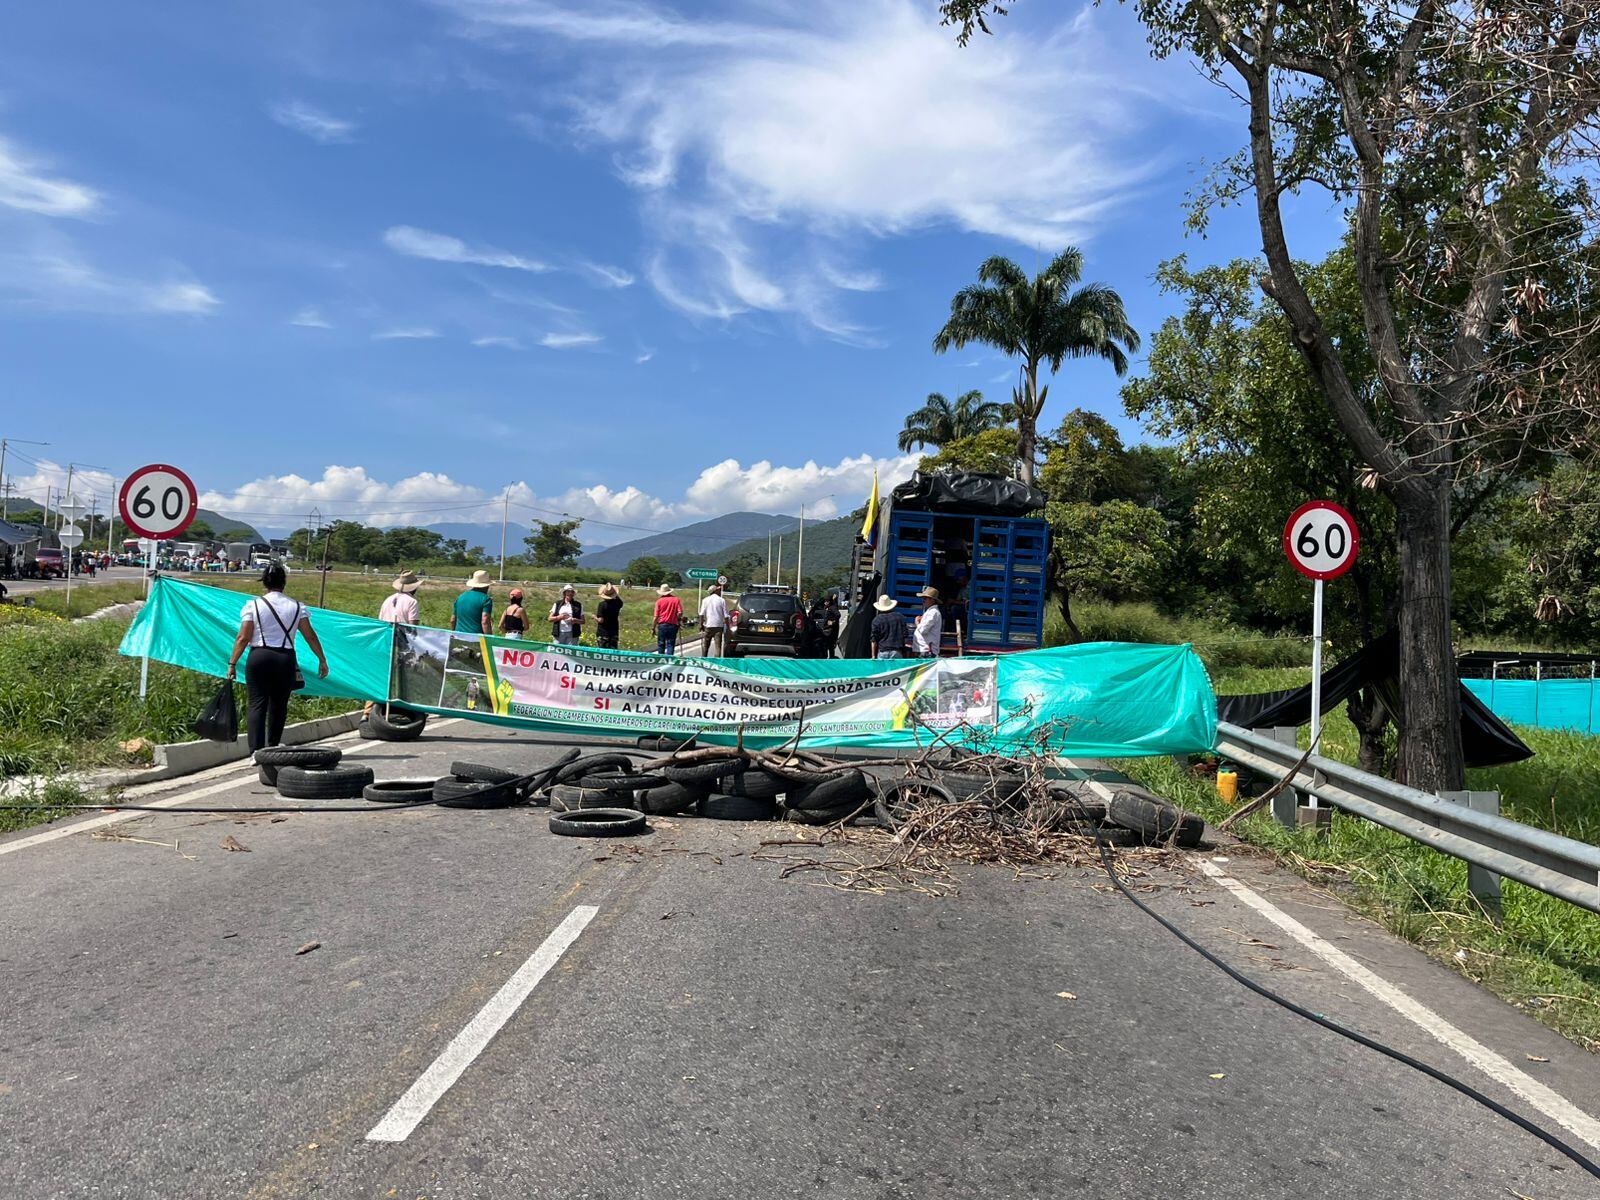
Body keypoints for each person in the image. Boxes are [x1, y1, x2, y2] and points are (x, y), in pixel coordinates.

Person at [226, 563, 328, 752]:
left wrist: (232, 663)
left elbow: (243, 637)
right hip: (285, 658)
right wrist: (322, 660)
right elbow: (310, 636)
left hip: (259, 657)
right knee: (279, 705)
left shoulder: (253, 605)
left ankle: (256, 752)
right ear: (284, 582)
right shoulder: (298, 607)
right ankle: (273, 746)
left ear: (264, 582)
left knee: (257, 704)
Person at [364, 569, 422, 722]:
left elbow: (381, 622)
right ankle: (404, 709)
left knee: (381, 676)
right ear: (414, 587)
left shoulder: (388, 600)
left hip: (384, 641)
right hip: (401, 643)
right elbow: (413, 628)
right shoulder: (412, 602)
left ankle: (367, 712)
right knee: (404, 677)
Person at [452, 570, 494, 635]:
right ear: (487, 586)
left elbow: (453, 620)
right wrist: (489, 638)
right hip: (476, 638)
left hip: (459, 636)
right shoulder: (486, 599)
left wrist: (454, 633)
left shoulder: (460, 597)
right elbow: (485, 621)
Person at [869, 594, 905, 659]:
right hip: (896, 651)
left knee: (882, 669)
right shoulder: (900, 617)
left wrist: (873, 655)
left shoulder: (877, 620)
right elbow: (905, 635)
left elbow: (873, 639)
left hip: (883, 652)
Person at [699, 582, 728, 657]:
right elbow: (726, 615)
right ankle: (717, 661)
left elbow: (701, 614)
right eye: (718, 590)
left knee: (705, 645)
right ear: (715, 591)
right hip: (718, 626)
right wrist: (727, 626)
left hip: (708, 625)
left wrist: (701, 625)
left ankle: (704, 659)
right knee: (718, 646)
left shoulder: (705, 600)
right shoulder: (722, 600)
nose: (719, 591)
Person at [912, 585, 943, 658]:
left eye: (925, 598)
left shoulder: (933, 613)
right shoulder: (931, 612)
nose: (923, 600)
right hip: (925, 650)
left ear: (932, 600)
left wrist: (917, 622)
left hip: (927, 651)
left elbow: (923, 630)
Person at [653, 583, 683, 655]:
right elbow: (680, 612)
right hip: (673, 624)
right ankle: (669, 658)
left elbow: (656, 616)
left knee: (661, 643)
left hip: (662, 624)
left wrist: (653, 627)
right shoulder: (676, 600)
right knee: (670, 643)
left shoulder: (659, 601)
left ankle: (661, 658)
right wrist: (678, 618)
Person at [595, 582, 623, 649]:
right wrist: (614, 594)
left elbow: (601, 620)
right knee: (613, 652)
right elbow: (620, 601)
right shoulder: (618, 603)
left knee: (603, 653)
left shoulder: (602, 605)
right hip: (614, 631)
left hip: (603, 632)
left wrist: (594, 617)